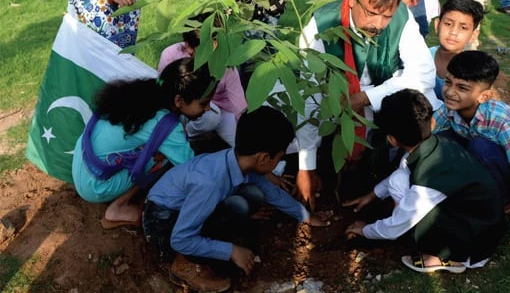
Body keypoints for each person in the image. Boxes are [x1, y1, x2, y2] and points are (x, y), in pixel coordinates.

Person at [143, 106, 332, 292]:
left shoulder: (237, 160)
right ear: (264, 158)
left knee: (252, 195)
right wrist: (231, 251)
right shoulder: (210, 184)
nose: (277, 164)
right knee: (237, 206)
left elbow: (270, 192)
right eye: (279, 158)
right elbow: (180, 239)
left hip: (184, 206)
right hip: (161, 219)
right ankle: (185, 264)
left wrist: (305, 215)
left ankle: (218, 245)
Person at [296, 0, 440, 209]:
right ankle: (334, 166)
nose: (379, 24)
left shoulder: (401, 19)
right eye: (372, 13)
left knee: (423, 95)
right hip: (334, 101)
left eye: (387, 16)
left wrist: (365, 97)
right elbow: (309, 94)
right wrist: (306, 166)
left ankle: (407, 168)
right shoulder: (320, 26)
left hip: (380, 97)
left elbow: (424, 73)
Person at [344, 89, 505, 274]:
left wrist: (365, 230)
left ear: (392, 140)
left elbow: (394, 229)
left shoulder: (427, 181)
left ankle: (449, 259)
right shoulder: (439, 142)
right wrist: (373, 194)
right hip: (483, 221)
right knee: (398, 179)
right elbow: (404, 169)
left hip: (475, 243)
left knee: (407, 218)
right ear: (433, 122)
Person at [432, 51, 510, 260]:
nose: (450, 92)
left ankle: (506, 202)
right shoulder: (450, 109)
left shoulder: (504, 123)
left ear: (484, 96)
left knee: (481, 147)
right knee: (441, 140)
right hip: (484, 165)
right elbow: (426, 136)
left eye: (462, 88)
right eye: (448, 83)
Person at [72, 58, 213, 229]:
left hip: (82, 160)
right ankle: (118, 208)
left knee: (157, 149)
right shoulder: (166, 124)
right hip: (94, 185)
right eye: (204, 103)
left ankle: (125, 192)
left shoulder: (144, 94)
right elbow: (191, 168)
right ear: (178, 101)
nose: (208, 109)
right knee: (162, 159)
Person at [158, 15, 247, 149]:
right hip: (182, 106)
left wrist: (247, 125)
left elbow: (239, 105)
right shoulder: (171, 55)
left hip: (219, 109)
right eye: (186, 44)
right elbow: (161, 91)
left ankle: (189, 133)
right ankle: (179, 135)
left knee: (241, 144)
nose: (187, 49)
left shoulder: (225, 63)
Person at [429, 0, 485, 99]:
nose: (454, 32)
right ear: (437, 25)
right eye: (448, 24)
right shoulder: (422, 57)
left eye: (463, 28)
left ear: (473, 35)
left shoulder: (471, 72)